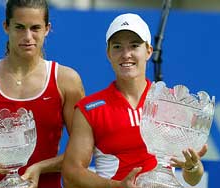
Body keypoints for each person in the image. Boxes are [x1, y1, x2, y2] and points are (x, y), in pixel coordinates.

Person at [0, 0, 84, 188]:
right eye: (19, 27)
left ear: (47, 29)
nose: (28, 36)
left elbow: (83, 151)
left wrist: (39, 168)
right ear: (6, 27)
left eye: (35, 28)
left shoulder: (67, 81)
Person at [62, 13, 207, 188]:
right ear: (108, 53)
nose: (126, 54)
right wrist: (116, 187)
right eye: (117, 47)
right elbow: (71, 174)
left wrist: (193, 167)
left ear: (148, 51)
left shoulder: (171, 102)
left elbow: (194, 178)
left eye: (134, 46)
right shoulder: (90, 109)